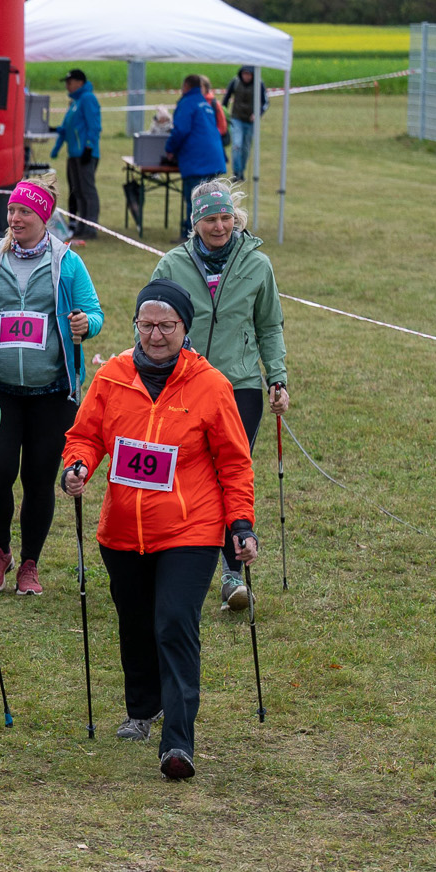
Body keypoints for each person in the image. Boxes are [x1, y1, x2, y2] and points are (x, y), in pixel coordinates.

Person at [60, 279, 257, 781]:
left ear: (185, 329)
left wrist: (241, 522)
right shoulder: (112, 376)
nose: (155, 335)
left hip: (190, 528)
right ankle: (143, 708)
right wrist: (77, 466)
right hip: (123, 529)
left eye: (166, 325)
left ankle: (178, 742)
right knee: (135, 622)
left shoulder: (210, 385)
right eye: (146, 324)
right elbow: (85, 435)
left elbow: (235, 462)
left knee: (173, 621)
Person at [0, 177, 105, 598]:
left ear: (44, 217)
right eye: (11, 210)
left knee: (39, 480)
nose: (15, 218)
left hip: (52, 393)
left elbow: (94, 313)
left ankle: (30, 563)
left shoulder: (67, 262)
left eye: (25, 212)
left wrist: (85, 324)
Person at [149, 179, 288, 610]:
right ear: (196, 222)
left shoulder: (257, 265)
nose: (220, 226)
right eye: (211, 219)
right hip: (183, 383)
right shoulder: (172, 264)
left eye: (226, 217)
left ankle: (231, 575)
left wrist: (277, 378)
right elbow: (149, 322)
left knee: (230, 475)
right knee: (181, 473)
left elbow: (269, 326)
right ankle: (170, 558)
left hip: (239, 385)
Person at [164, 74, 227, 241]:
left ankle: (191, 237)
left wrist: (169, 149)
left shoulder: (187, 104)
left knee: (195, 201)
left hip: (197, 161)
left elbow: (180, 130)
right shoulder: (205, 104)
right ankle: (211, 237)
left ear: (186, 86)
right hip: (214, 159)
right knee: (212, 202)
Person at [51, 68, 102, 242]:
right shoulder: (75, 102)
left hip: (85, 153)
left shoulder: (88, 99)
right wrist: (55, 137)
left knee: (87, 191)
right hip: (73, 153)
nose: (67, 85)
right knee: (78, 191)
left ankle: (91, 227)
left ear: (79, 83)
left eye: (69, 82)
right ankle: (81, 225)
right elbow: (67, 127)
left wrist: (89, 146)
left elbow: (94, 126)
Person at [223, 66, 259, 180]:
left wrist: (257, 114)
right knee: (237, 145)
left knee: (245, 148)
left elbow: (265, 102)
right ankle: (236, 172)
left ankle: (241, 171)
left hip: (250, 121)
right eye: (244, 73)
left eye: (249, 74)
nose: (246, 76)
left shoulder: (259, 84)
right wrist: (223, 114)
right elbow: (226, 99)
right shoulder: (235, 82)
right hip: (236, 119)